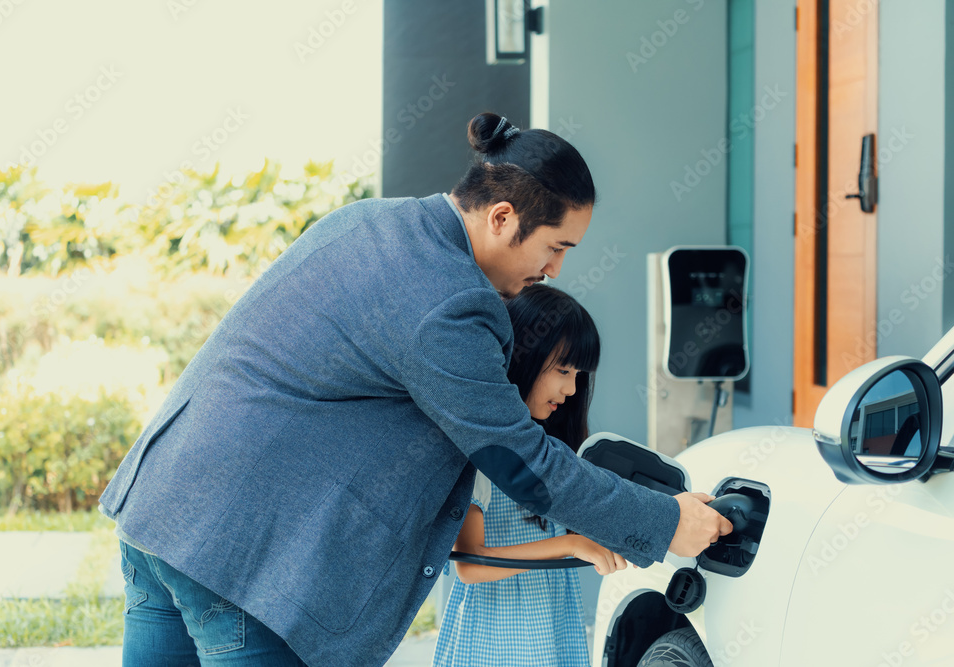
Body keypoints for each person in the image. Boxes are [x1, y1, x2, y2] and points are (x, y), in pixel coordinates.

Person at [99, 112, 731, 667]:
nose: (555, 271)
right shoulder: (451, 300)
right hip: (245, 560)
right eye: (555, 246)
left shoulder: (369, 222)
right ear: (503, 217)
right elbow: (519, 462)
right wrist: (664, 521)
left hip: (163, 509)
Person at [433, 283, 615, 667]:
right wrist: (568, 546)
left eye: (578, 374)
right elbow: (469, 564)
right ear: (523, 357)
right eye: (563, 369)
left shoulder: (551, 451)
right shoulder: (487, 454)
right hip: (495, 639)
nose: (571, 388)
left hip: (551, 630)